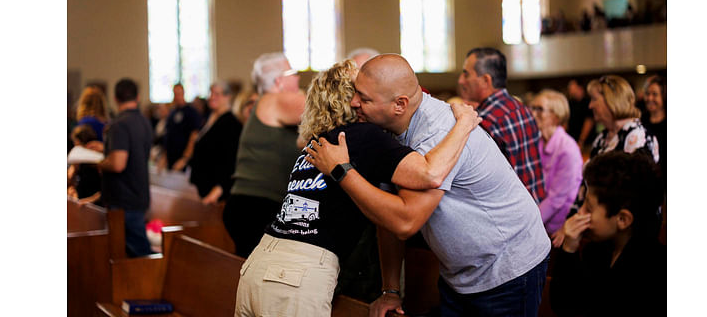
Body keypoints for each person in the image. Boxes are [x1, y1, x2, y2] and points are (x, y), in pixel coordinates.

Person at [308, 54, 551, 317]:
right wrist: (390, 290)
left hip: (507, 267)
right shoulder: (384, 130)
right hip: (460, 275)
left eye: (364, 99)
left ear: (399, 104)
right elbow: (386, 216)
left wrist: (342, 171)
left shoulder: (438, 133)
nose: (354, 103)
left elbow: (405, 220)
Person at [234, 60, 479, 317]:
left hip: (258, 263)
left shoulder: (315, 145)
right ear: (351, 98)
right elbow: (429, 173)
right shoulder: (360, 137)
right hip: (296, 274)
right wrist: (462, 124)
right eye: (361, 92)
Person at [549, 151, 666, 317]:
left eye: (588, 208)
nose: (580, 213)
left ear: (623, 219)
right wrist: (569, 249)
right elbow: (564, 305)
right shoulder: (597, 250)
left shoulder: (655, 272)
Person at [224, 53, 306, 258]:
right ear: (279, 80)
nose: (297, 78)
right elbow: (327, 109)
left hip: (250, 204)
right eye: (292, 73)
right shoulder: (276, 100)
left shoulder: (267, 101)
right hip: (257, 207)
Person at [457, 47, 546, 204]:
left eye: (466, 74)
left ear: (486, 80)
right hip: (535, 208)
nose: (461, 81)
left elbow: (480, 182)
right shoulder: (521, 108)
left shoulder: (483, 120)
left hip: (510, 212)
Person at [98, 78, 154, 257]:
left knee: (137, 256)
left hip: (123, 199)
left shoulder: (119, 124)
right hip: (139, 193)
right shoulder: (144, 121)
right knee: (136, 254)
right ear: (137, 97)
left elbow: (118, 164)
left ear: (115, 98)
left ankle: (148, 285)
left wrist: (98, 162)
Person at [530, 90, 584, 235]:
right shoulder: (538, 143)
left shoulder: (567, 149)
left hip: (556, 230)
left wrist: (527, 225)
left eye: (539, 109)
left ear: (555, 116)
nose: (533, 114)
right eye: (532, 108)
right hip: (540, 223)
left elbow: (556, 200)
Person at [187, 81, 243, 204]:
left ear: (227, 97)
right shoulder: (209, 118)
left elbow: (231, 161)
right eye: (211, 93)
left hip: (216, 191)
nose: (212, 97)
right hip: (202, 186)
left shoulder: (231, 123)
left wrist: (219, 189)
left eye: (217, 94)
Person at [586, 75, 659, 162]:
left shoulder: (637, 135)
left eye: (594, 99)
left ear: (611, 101)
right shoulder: (602, 137)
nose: (590, 106)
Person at [162, 83, 202, 171]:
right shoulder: (172, 113)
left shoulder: (191, 112)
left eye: (179, 94)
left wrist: (185, 158)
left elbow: (194, 136)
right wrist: (164, 157)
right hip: (171, 159)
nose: (177, 97)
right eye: (175, 94)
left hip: (184, 161)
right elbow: (168, 136)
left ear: (183, 93)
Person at [67, 124, 103, 205]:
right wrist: (72, 189)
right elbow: (71, 180)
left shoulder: (98, 159)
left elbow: (107, 188)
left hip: (95, 206)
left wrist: (90, 200)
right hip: (82, 203)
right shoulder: (78, 160)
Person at [641, 75, 666, 178]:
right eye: (647, 94)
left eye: (655, 94)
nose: (650, 98)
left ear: (663, 96)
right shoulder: (640, 122)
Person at [566, 78, 594, 150]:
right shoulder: (570, 103)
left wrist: (581, 141)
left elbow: (588, 122)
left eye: (572, 87)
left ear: (580, 88)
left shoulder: (588, 102)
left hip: (586, 142)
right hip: (573, 141)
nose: (570, 90)